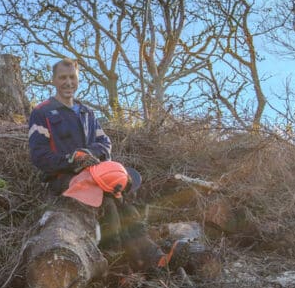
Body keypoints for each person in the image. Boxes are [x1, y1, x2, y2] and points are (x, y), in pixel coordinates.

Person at [28, 59, 181, 274]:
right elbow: (39, 156)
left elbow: (105, 144)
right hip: (61, 178)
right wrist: (71, 159)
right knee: (107, 206)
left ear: (78, 79)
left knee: (123, 200)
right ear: (54, 80)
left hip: (94, 175)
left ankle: (150, 257)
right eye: (63, 77)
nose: (68, 82)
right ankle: (118, 267)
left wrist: (90, 154)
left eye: (72, 77)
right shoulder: (42, 112)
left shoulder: (86, 113)